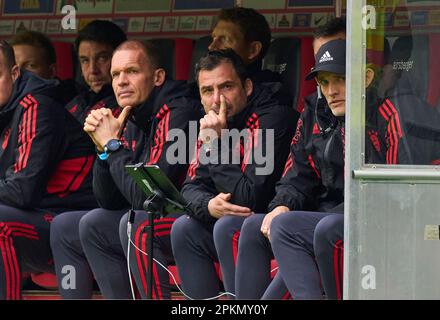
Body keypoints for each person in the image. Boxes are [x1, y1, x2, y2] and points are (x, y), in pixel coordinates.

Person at [75, 40, 201, 300]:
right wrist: (103, 150)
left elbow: (152, 197)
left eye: (131, 71)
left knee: (136, 223)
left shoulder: (179, 112)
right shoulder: (129, 114)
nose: (121, 81)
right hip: (158, 216)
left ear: (157, 77)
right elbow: (108, 200)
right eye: (115, 74)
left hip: (192, 220)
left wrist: (113, 147)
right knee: (91, 223)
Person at [170, 49, 295, 299]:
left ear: (247, 87)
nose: (217, 99)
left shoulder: (271, 118)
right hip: (236, 222)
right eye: (207, 91)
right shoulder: (212, 122)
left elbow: (250, 199)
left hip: (272, 224)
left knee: (228, 226)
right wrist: (209, 205)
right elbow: (190, 188)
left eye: (226, 86)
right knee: (185, 228)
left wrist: (216, 143)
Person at [263, 39, 381, 300]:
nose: (332, 90)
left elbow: (393, 192)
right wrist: (282, 203)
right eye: (324, 82)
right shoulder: (316, 115)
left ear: (366, 78)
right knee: (265, 225)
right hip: (328, 217)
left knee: (294, 228)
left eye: (340, 79)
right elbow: (298, 174)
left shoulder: (383, 117)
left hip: (373, 221)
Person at [49, 20, 127, 299]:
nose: (93, 69)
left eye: (102, 58)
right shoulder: (69, 100)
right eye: (84, 60)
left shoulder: (125, 106)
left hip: (103, 206)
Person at [0, 40, 78, 300]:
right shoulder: (6, 110)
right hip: (35, 217)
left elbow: (23, 191)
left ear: (14, 74)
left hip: (66, 221)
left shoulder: (36, 107)